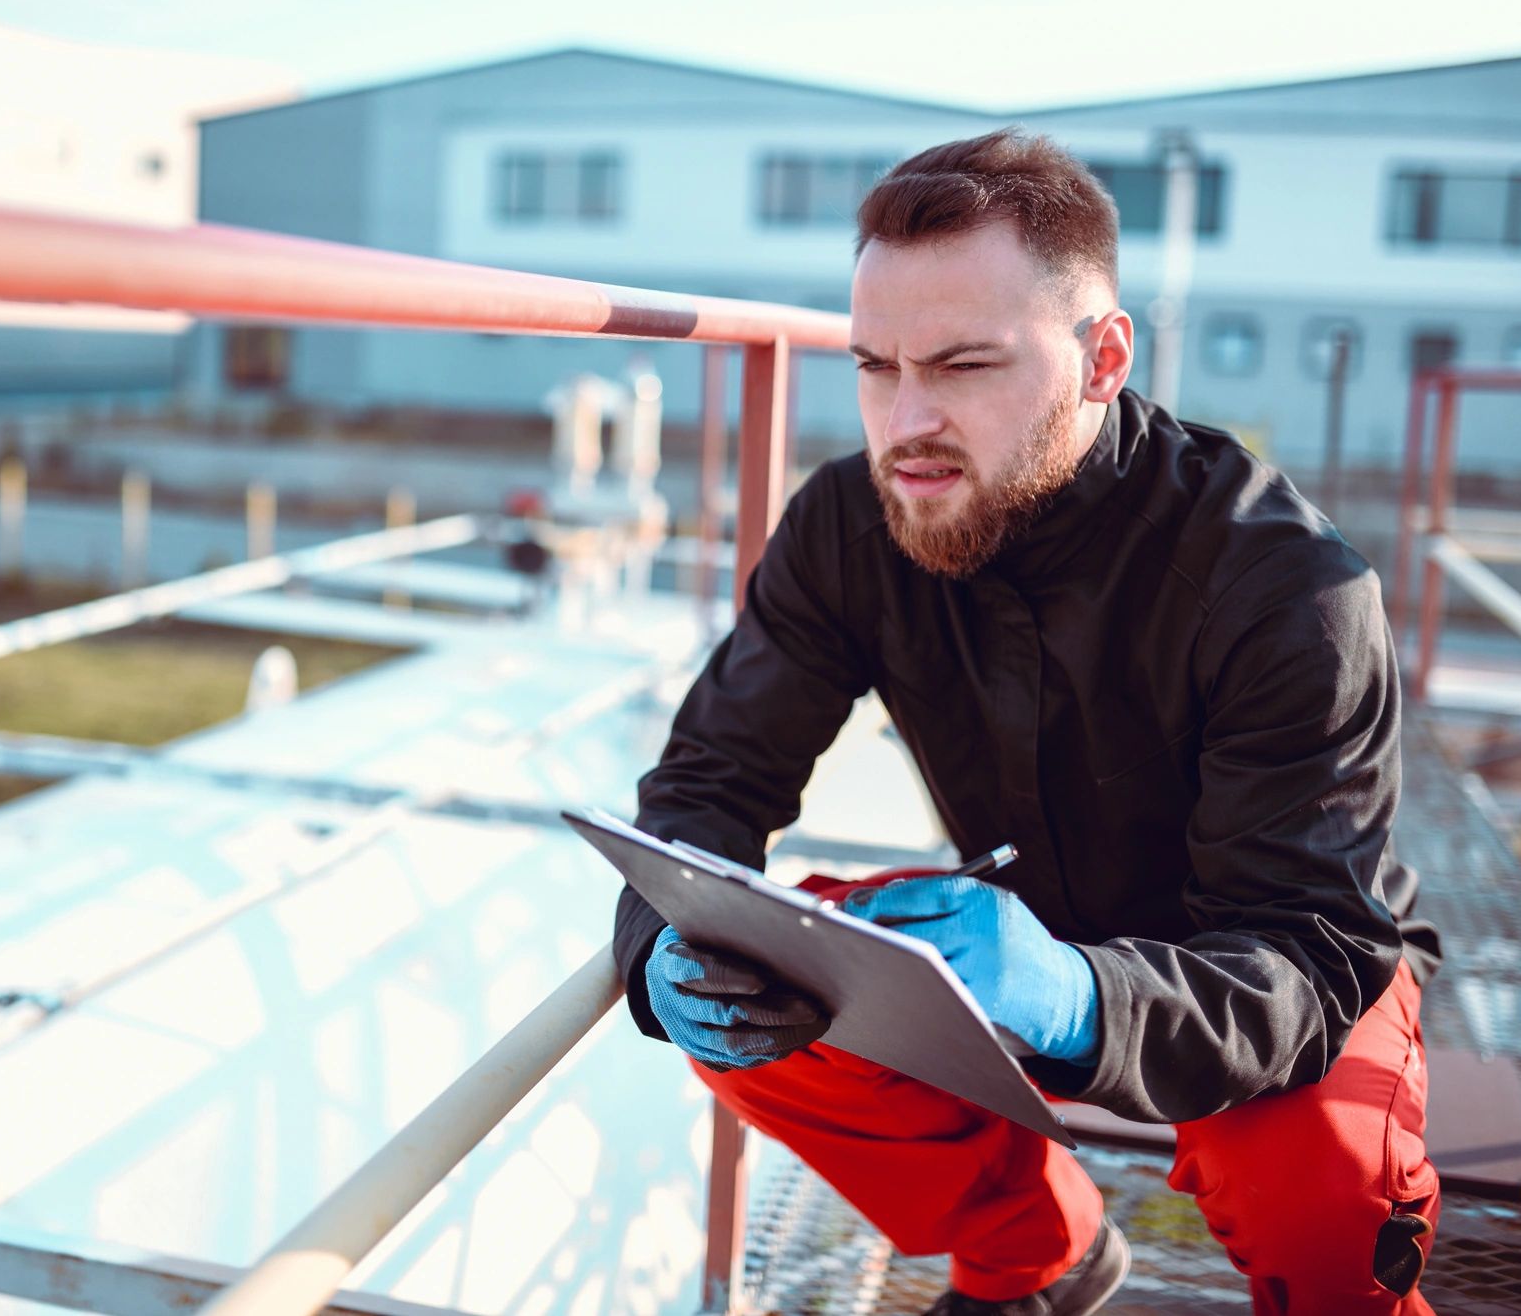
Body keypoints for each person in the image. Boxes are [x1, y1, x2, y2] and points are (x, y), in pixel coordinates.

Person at [611, 129, 1443, 1316]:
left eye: (961, 366)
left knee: (1318, 1183)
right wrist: (659, 952)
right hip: (1017, 934)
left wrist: (1079, 995)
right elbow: (709, 783)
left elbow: (1306, 958)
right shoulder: (852, 521)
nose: (905, 424)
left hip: (1263, 964)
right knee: (751, 983)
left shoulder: (1289, 590)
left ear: (1103, 358)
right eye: (875, 366)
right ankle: (1035, 1249)